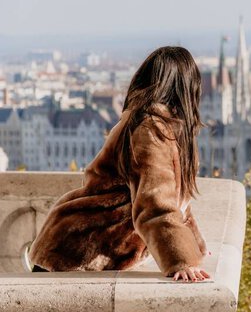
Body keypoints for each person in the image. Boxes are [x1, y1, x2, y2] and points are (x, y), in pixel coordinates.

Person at [28, 46, 210, 282]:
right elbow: (155, 203)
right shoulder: (150, 130)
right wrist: (180, 260)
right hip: (78, 252)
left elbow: (177, 202)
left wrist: (193, 247)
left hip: (81, 246)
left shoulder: (158, 126)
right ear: (185, 88)